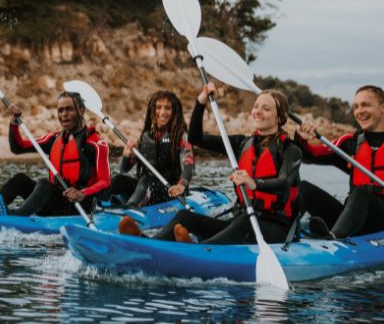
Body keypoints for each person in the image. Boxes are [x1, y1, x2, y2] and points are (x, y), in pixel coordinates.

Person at [119, 83, 301, 245]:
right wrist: (201, 101)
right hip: (244, 219)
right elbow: (195, 137)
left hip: (275, 227)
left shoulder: (290, 150)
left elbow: (285, 183)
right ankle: (149, 243)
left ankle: (196, 250)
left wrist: (254, 183)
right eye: (256, 106)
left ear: (280, 117)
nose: (258, 111)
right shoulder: (242, 144)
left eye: (266, 109)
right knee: (184, 217)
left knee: (243, 223)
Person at [295, 85, 384, 239]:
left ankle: (333, 238)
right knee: (304, 189)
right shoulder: (349, 143)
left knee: (364, 191)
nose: (359, 111)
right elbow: (309, 155)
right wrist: (301, 138)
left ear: (383, 107)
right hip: (352, 217)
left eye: (365, 105)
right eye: (356, 107)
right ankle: (285, 236)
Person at [0, 91, 111, 216]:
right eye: (60, 110)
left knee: (44, 183)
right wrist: (14, 124)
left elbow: (105, 182)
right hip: (53, 205)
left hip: (79, 207)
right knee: (20, 179)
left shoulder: (96, 143)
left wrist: (82, 193)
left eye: (69, 109)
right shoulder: (53, 139)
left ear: (81, 110)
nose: (64, 114)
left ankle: (16, 216)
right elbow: (18, 147)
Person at [105, 90, 195, 208]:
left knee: (146, 180)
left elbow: (189, 166)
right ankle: (92, 204)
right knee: (117, 178)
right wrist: (126, 155)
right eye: (158, 107)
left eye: (167, 108)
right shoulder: (146, 136)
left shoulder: (180, 136)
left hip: (170, 190)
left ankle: (131, 209)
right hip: (145, 188)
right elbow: (124, 169)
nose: (162, 112)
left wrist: (181, 185)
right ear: (152, 110)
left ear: (174, 112)